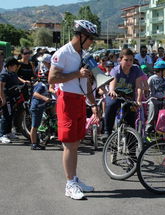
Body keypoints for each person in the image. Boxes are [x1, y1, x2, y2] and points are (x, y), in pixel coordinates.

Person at [48, 20, 99, 200]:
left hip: (79, 101)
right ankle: (69, 184)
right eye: (90, 38)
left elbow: (87, 83)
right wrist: (77, 74)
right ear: (81, 36)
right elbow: (52, 79)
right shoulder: (63, 52)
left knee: (76, 143)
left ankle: (74, 179)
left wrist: (93, 105)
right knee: (69, 144)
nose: (92, 41)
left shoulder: (84, 54)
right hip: (66, 100)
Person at [104, 48, 145, 136]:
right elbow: (112, 82)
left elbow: (139, 86)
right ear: (120, 60)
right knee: (111, 105)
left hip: (129, 96)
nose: (129, 63)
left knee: (131, 116)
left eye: (131, 60)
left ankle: (132, 143)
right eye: (126, 60)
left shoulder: (136, 69)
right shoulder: (116, 70)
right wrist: (111, 90)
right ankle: (107, 132)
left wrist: (138, 100)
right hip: (116, 95)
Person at [145, 60, 165, 133]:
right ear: (160, 71)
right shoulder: (152, 78)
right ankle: (147, 131)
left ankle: (159, 132)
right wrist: (146, 92)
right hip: (153, 101)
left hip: (162, 101)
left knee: (162, 117)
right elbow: (146, 88)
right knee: (152, 117)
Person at [29, 67, 52, 150]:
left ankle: (36, 142)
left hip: (40, 107)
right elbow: (35, 94)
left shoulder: (45, 85)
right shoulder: (41, 85)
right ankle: (33, 144)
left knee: (37, 125)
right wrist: (45, 98)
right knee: (34, 126)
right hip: (36, 107)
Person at [0, 57, 22, 144]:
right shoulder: (4, 74)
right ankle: (2, 135)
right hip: (7, 97)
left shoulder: (12, 73)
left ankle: (8, 132)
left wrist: (25, 81)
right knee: (6, 116)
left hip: (12, 97)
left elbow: (18, 79)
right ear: (11, 65)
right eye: (15, 65)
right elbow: (1, 87)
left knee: (11, 115)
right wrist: (3, 98)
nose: (16, 67)